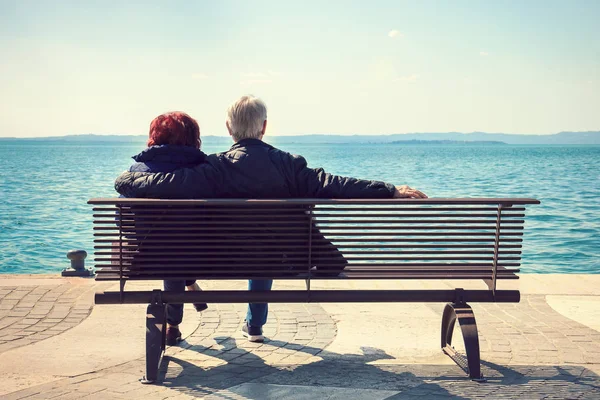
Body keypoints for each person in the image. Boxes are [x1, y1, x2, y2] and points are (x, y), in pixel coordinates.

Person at [115, 95, 427, 343]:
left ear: (228, 129)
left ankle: (241, 322)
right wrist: (389, 190)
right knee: (269, 242)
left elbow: (169, 185)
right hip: (282, 259)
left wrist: (126, 181)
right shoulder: (289, 164)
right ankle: (254, 325)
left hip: (227, 258)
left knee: (252, 241)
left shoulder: (215, 168)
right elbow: (333, 183)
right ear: (264, 127)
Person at [123, 111, 211, 346]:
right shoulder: (206, 171)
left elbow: (122, 223)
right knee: (181, 246)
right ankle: (175, 319)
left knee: (169, 248)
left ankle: (174, 324)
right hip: (205, 257)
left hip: (148, 258)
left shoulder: (135, 172)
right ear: (194, 137)